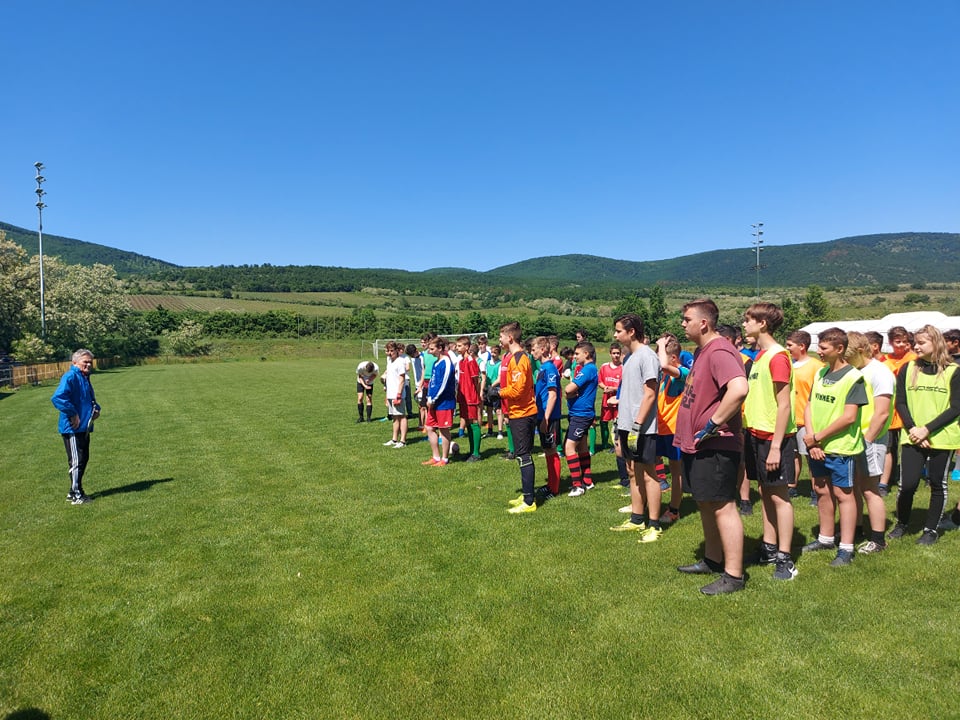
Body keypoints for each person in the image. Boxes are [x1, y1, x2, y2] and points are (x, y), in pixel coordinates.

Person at [674, 299, 749, 595]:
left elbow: (739, 388)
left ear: (703, 323)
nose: (683, 324)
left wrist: (712, 425)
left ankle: (734, 575)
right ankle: (713, 559)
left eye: (687, 319)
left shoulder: (719, 350)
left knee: (723, 505)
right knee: (706, 502)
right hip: (698, 445)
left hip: (717, 444)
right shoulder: (702, 351)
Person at [802, 327, 869, 567]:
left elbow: (849, 417)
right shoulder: (821, 373)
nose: (818, 351)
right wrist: (812, 438)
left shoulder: (854, 378)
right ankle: (826, 538)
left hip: (841, 448)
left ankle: (846, 548)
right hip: (816, 445)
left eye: (823, 348)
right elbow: (809, 406)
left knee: (844, 495)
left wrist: (817, 437)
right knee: (821, 490)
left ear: (840, 349)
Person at [741, 303, 798, 581]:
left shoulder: (777, 356)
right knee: (765, 492)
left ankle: (785, 558)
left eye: (748, 320)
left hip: (774, 439)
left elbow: (784, 405)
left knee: (779, 497)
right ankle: (769, 547)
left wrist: (775, 447)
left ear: (762, 323)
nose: (744, 325)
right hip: (756, 434)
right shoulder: (760, 356)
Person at [889, 325, 960, 545]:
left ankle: (930, 530)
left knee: (937, 483)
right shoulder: (908, 368)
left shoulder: (954, 370)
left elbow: (956, 407)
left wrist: (927, 429)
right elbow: (900, 402)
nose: (916, 347)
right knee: (908, 484)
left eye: (921, 343)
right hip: (912, 436)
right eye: (915, 343)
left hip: (941, 436)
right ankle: (902, 524)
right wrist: (913, 429)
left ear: (935, 343)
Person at [609, 314, 662, 542]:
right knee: (632, 471)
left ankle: (654, 525)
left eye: (619, 330)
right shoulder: (630, 357)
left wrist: (637, 425)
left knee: (649, 474)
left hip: (642, 428)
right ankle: (637, 518)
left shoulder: (647, 356)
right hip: (627, 425)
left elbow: (650, 394)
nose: (615, 335)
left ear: (631, 332)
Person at [844, 331, 895, 554]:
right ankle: (856, 529)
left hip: (871, 439)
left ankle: (878, 539)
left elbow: (882, 413)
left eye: (848, 356)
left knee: (870, 489)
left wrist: (868, 440)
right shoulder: (856, 370)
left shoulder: (880, 373)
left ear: (860, 351)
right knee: (854, 486)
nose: (845, 361)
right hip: (854, 439)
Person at [499, 322, 540, 514]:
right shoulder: (516, 357)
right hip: (519, 412)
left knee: (524, 455)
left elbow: (517, 390)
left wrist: (498, 393)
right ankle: (526, 495)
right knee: (521, 454)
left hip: (523, 414)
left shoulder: (518, 359)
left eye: (501, 336)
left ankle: (529, 502)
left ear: (510, 338)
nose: (499, 340)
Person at [51, 349, 101, 504]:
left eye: (90, 362)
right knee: (76, 461)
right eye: (85, 362)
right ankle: (77, 495)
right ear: (74, 362)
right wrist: (73, 413)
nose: (88, 365)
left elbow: (88, 399)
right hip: (72, 428)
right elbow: (58, 398)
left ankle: (73, 491)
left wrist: (96, 409)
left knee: (83, 459)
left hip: (84, 427)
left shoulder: (84, 377)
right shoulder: (71, 376)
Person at [785, 330, 824, 499]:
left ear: (802, 346)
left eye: (790, 345)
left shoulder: (816, 366)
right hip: (790, 418)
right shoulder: (788, 364)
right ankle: (792, 486)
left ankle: (816, 490)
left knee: (810, 455)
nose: (787, 348)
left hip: (806, 418)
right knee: (793, 454)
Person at [879, 326, 917, 496]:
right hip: (890, 407)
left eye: (904, 341)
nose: (901, 345)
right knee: (891, 445)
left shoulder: (914, 358)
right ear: (890, 342)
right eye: (897, 341)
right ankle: (890, 476)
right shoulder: (885, 360)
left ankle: (916, 474)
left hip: (908, 405)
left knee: (910, 444)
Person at [655, 334, 687, 524]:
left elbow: (664, 366)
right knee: (648, 464)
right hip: (660, 429)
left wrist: (660, 345)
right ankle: (647, 502)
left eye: (661, 355)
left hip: (674, 430)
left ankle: (674, 510)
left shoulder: (683, 372)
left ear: (673, 358)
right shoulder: (666, 377)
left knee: (676, 471)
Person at [564, 341, 599, 497]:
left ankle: (577, 485)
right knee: (582, 446)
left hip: (581, 414)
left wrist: (570, 392)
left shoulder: (588, 369)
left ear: (586, 354)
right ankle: (587, 481)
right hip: (581, 413)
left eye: (577, 354)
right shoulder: (589, 369)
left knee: (569, 447)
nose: (574, 357)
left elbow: (568, 389)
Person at [531, 336, 563, 498]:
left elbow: (553, 395)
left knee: (551, 449)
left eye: (534, 349)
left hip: (549, 416)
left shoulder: (550, 368)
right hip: (541, 414)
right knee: (547, 449)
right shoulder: (542, 368)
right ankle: (550, 484)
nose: (532, 352)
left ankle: (554, 489)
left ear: (543, 349)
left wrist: (546, 418)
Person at [423, 336, 457, 466]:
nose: (429, 351)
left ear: (440, 348)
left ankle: (445, 459)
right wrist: (428, 397)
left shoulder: (446, 362)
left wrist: (433, 398)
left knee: (443, 430)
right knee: (429, 427)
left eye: (432, 349)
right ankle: (435, 457)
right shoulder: (435, 363)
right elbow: (433, 382)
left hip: (444, 402)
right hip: (433, 402)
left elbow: (443, 383)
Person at [455, 337, 483, 462]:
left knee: (473, 422)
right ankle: (472, 451)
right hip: (463, 396)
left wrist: (476, 394)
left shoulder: (471, 361)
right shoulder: (461, 361)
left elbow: (476, 380)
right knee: (467, 423)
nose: (457, 348)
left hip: (470, 396)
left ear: (467, 347)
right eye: (457, 345)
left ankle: (476, 453)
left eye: (459, 346)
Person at [597, 343, 623, 452]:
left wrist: (614, 389)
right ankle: (604, 444)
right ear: (610, 354)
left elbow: (625, 386)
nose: (616, 355)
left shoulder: (623, 367)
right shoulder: (604, 367)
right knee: (603, 422)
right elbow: (600, 381)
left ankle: (617, 444)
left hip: (618, 400)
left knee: (617, 423)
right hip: (606, 400)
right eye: (614, 353)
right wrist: (605, 387)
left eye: (618, 353)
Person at [382, 342, 409, 449]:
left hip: (398, 393)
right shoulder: (389, 361)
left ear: (397, 350)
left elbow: (402, 379)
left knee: (402, 416)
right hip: (390, 393)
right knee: (394, 417)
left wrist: (399, 394)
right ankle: (394, 439)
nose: (389, 353)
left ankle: (403, 441)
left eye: (391, 351)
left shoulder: (400, 362)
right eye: (387, 351)